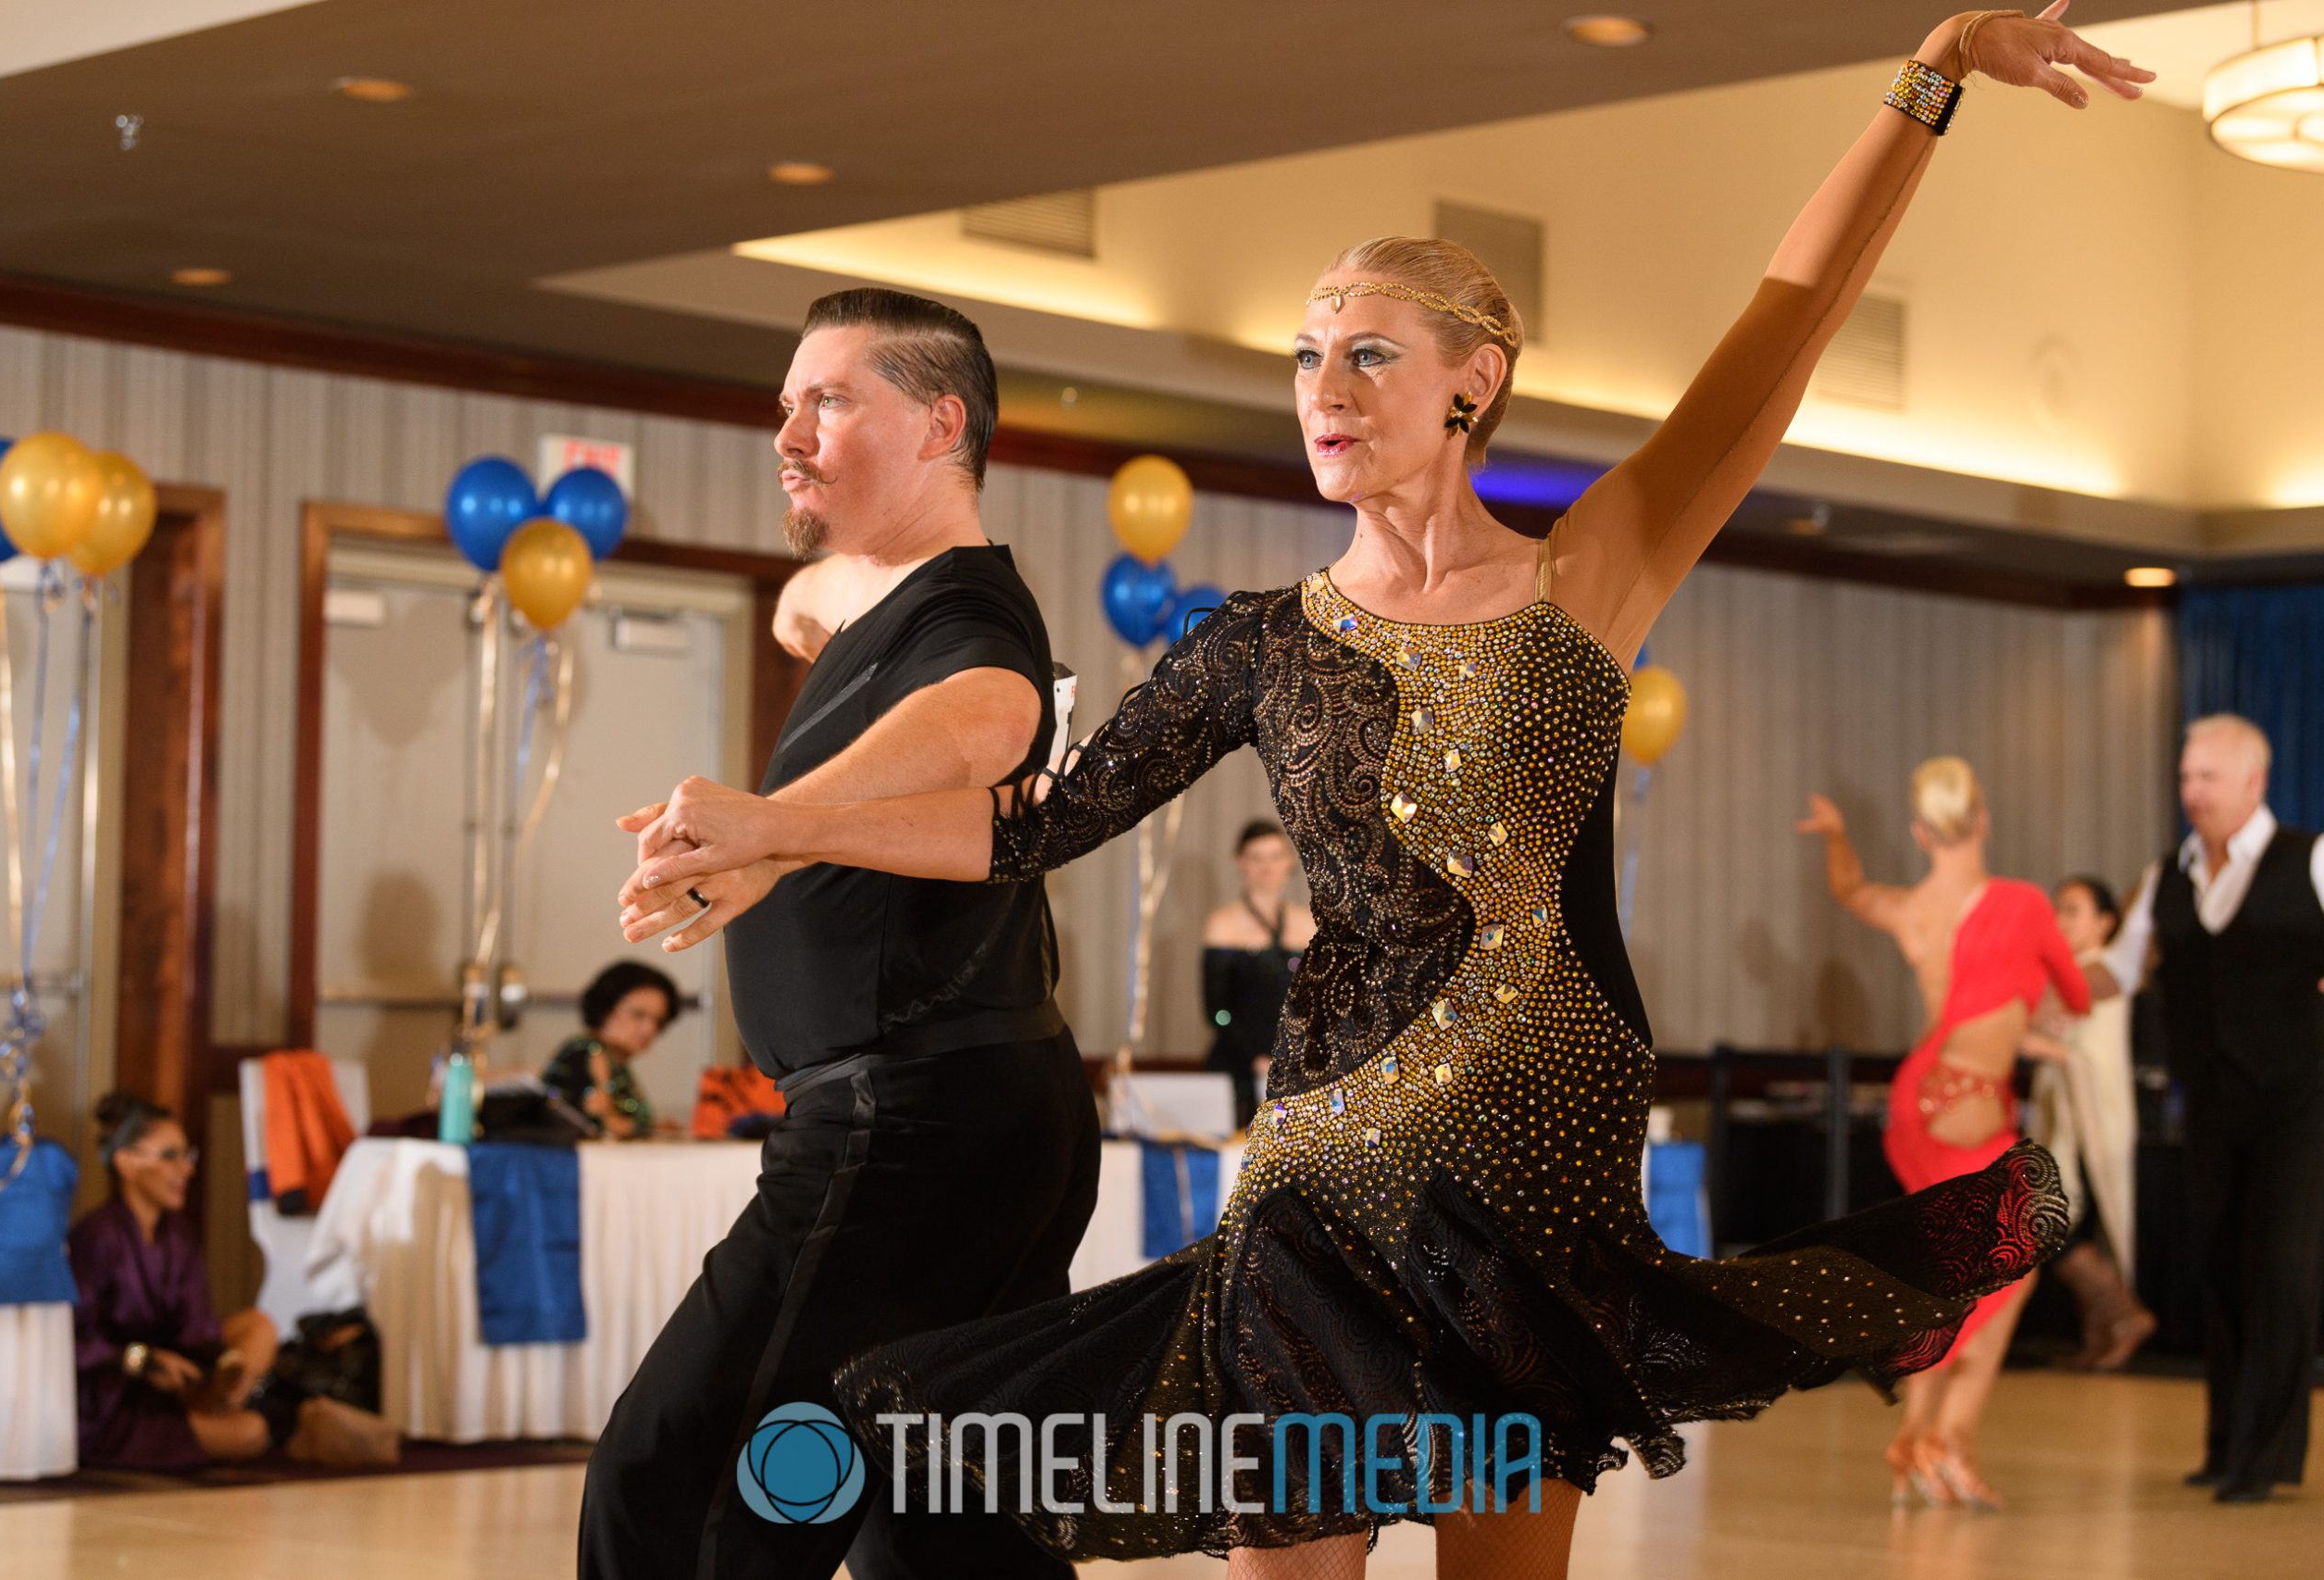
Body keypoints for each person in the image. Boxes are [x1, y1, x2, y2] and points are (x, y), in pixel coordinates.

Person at [618, 13, 2147, 1573]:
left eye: (1365, 353)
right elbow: (1029, 828)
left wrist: (1933, 76)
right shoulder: (1256, 647)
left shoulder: (1588, 582)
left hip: (1536, 1174)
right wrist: (781, 823)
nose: (1321, 388)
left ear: (1474, 383)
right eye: (1302, 356)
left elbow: (1792, 319)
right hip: (1321, 1183)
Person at [582, 288, 1099, 1580]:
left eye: (829, 400)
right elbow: (799, 600)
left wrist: (769, 824)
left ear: (941, 425)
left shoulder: (970, 622)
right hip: (979, 1116)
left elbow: (991, 716)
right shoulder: (882, 599)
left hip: (909, 1122)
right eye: (784, 407)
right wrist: (823, 603)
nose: (789, 433)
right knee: (945, 1527)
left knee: (683, 1477)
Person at [1797, 759, 2090, 1509]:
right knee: (2009, 1265)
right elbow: (2078, 992)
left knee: (1957, 1278)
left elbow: (1849, 890)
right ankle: (1941, 1439)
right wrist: (2045, 1011)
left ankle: (1921, 1444)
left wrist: (1836, 836)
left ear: (1920, 831)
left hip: (1918, 1099)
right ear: (1984, 819)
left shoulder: (1914, 908)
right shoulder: (2022, 902)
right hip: (1968, 1100)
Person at [2094, 713, 2324, 1504]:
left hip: (2302, 1098)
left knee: (2285, 1267)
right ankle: (2227, 1443)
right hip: (2212, 1101)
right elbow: (2116, 972)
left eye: (2208, 778)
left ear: (2254, 782)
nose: (2192, 792)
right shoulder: (2169, 875)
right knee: (2223, 1262)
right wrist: (2021, 984)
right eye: (2187, 777)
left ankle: (2265, 1456)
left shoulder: (2313, 858)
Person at [69, 1092, 399, 1470]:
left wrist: (226, 1364)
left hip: (175, 1381)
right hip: (116, 1394)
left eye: (187, 1155)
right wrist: (142, 1360)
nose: (185, 1170)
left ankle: (229, 1407)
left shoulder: (178, 1234)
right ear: (126, 1163)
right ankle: (276, 1426)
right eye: (169, 1156)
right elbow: (73, 1340)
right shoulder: (95, 1237)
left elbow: (197, 1328)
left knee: (259, 1327)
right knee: (248, 1435)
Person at [2024, 875, 2154, 1370]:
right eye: (2058, 909)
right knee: (2055, 1219)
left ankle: (2124, 1315)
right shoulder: (2063, 971)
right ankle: (2104, 1329)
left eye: (2074, 910)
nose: (2061, 920)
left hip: (2091, 1115)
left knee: (2054, 1220)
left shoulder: (2102, 973)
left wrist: (2042, 1043)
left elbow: (2074, 1044)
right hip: (2063, 1114)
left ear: (2106, 923)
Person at [1202, 819, 1316, 1130]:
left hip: (1296, 1066)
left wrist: (1297, 1057)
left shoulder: (1308, 924)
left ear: (1290, 861)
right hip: (1239, 1066)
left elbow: (1318, 1003)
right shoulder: (1222, 924)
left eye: (1275, 856)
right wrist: (1256, 1059)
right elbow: (1217, 1010)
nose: (1267, 867)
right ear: (1240, 862)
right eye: (1256, 858)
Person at [541, 959, 682, 1139]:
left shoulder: (612, 1060)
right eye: (638, 1015)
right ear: (606, 1009)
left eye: (659, 1021)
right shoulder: (589, 1052)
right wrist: (649, 1130)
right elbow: (597, 1124)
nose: (650, 1029)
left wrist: (654, 1127)